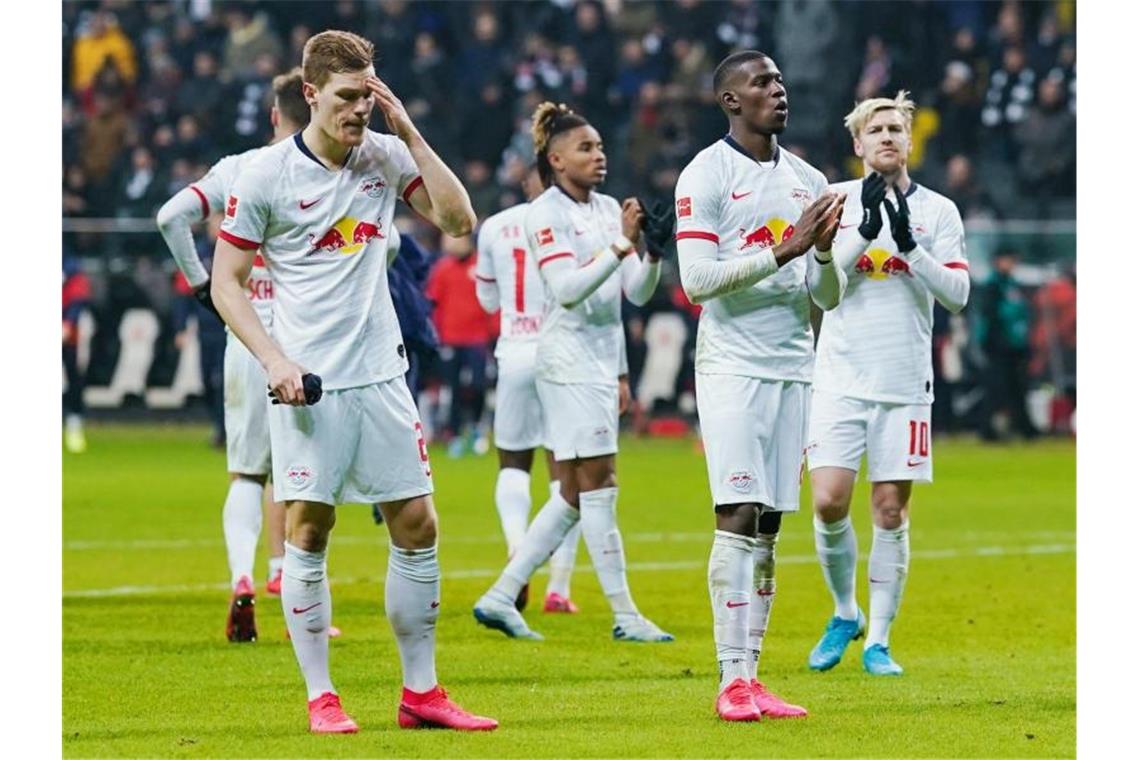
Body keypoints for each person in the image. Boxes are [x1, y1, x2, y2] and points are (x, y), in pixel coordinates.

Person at [210, 30, 497, 733]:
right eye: (345, 98)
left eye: (368, 96)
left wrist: (408, 130)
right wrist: (274, 361)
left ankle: (421, 693)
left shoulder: (383, 154)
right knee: (310, 528)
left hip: (382, 376)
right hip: (308, 382)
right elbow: (226, 282)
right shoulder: (267, 176)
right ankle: (321, 696)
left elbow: (460, 221)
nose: (358, 111)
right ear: (310, 94)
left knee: (418, 524)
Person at [673, 50, 846, 722]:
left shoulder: (809, 179)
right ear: (729, 100)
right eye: (762, 83)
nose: (778, 90)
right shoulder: (704, 174)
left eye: (780, 80)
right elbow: (696, 281)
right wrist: (787, 248)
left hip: (792, 366)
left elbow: (824, 295)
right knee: (738, 513)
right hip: (732, 366)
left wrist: (824, 251)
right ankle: (730, 677)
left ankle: (755, 674)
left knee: (770, 524)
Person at [472, 101, 674, 643]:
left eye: (601, 146)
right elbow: (566, 289)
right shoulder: (544, 215)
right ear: (556, 159)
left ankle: (499, 595)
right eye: (586, 148)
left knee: (574, 492)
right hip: (564, 360)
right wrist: (621, 243)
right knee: (599, 486)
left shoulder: (609, 208)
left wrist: (651, 253)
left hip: (601, 362)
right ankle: (625, 614)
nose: (599, 155)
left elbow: (631, 293)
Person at [806, 91, 971, 678]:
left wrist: (909, 246)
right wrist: (862, 233)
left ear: (909, 140)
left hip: (904, 384)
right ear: (857, 144)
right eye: (874, 129)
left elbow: (957, 295)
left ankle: (878, 640)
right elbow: (820, 294)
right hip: (839, 378)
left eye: (895, 128)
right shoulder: (836, 201)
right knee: (827, 502)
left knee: (890, 511)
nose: (885, 137)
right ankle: (844, 611)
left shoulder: (940, 212)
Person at [157, 68, 308, 642]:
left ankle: (244, 577)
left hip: (246, 336)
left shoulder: (238, 168)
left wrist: (202, 286)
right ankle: (295, 592)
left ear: (274, 114)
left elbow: (170, 217)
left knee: (248, 472)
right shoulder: (327, 169)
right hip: (307, 340)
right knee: (302, 476)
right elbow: (387, 244)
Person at [474, 164, 583, 614]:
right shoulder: (576, 221)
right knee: (569, 472)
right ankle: (558, 587)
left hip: (515, 351)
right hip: (562, 352)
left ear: (523, 182)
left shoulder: (496, 227)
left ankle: (518, 547)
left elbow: (486, 299)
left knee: (513, 463)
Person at [976, 248, 1036, 441]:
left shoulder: (1013, 285)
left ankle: (1025, 429)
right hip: (998, 346)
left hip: (1015, 346)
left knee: (1017, 388)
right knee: (996, 389)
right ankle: (987, 429)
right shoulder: (992, 286)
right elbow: (989, 317)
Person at [62, 256, 92, 454]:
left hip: (69, 334)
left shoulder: (70, 265)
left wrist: (69, 323)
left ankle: (74, 423)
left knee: (73, 376)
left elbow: (78, 296)